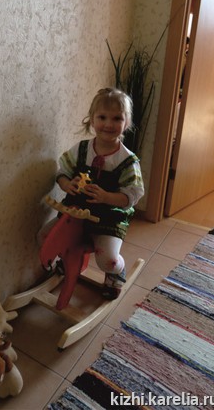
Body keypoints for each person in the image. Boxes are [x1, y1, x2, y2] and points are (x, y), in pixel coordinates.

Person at [42, 88, 144, 299]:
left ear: (126, 123)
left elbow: (132, 196)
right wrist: (67, 184)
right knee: (44, 237)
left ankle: (117, 272)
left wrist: (107, 197)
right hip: (75, 212)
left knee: (108, 260)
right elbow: (62, 173)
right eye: (102, 117)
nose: (108, 124)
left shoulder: (127, 161)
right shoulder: (81, 149)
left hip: (108, 218)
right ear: (92, 119)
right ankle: (65, 262)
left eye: (117, 118)